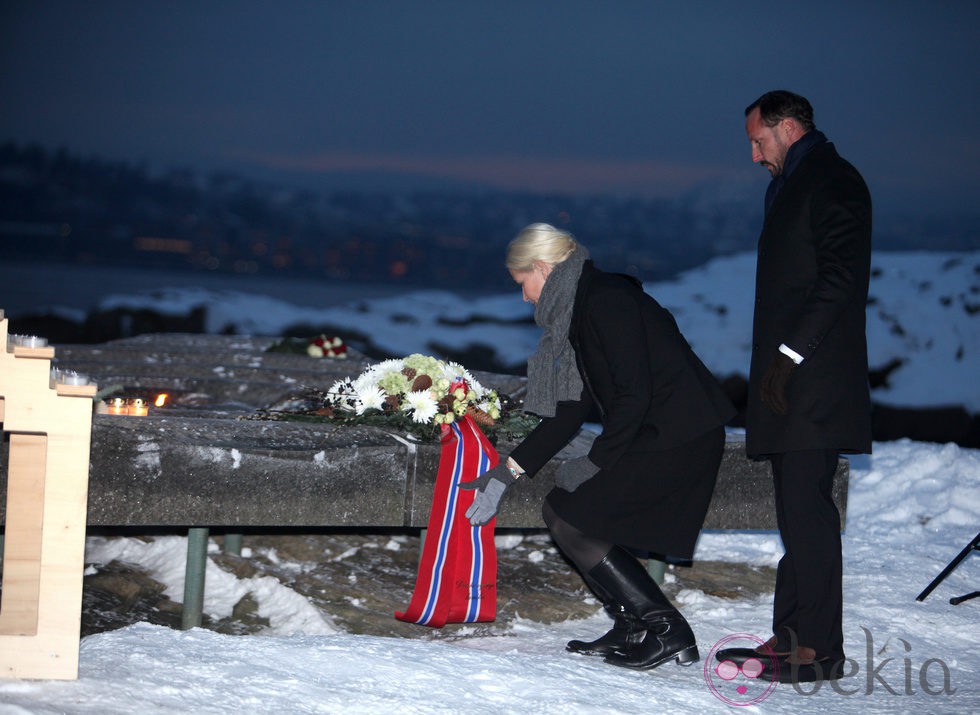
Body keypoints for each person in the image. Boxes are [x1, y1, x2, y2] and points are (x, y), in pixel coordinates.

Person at [460, 223, 735, 671]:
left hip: (679, 436)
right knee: (563, 509)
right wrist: (503, 474)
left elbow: (633, 394)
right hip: (655, 432)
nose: (525, 298)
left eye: (523, 284)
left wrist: (596, 461)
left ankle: (666, 629)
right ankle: (633, 626)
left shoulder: (606, 301)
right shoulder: (579, 306)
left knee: (572, 516)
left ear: (543, 268)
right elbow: (570, 411)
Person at [717, 90, 872, 684]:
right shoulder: (796, 178)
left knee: (809, 517)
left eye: (758, 142)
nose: (755, 156)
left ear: (785, 127)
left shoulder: (832, 177)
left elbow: (841, 278)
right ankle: (789, 639)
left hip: (815, 383)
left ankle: (818, 652)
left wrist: (789, 356)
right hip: (795, 381)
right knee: (797, 516)